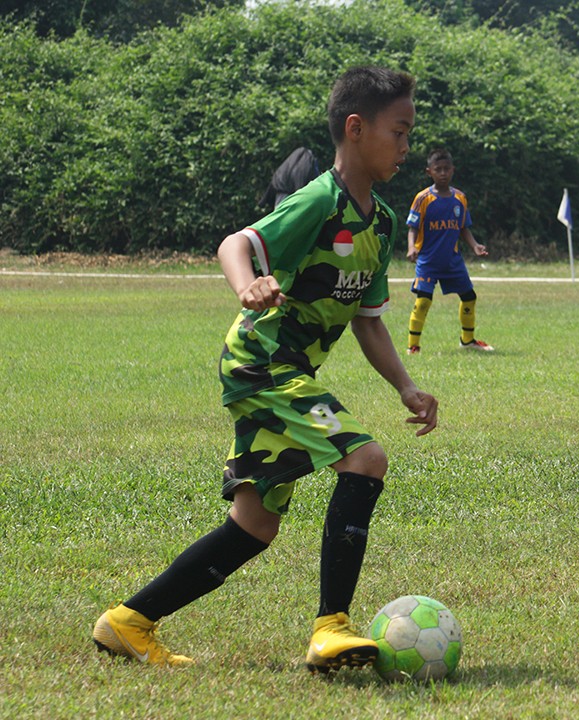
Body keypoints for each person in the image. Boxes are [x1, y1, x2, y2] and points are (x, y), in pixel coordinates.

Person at [93, 66, 439, 671]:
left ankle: (128, 622)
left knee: (253, 526)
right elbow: (236, 244)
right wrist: (247, 284)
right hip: (261, 362)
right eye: (399, 130)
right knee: (366, 458)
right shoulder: (318, 201)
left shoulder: (381, 222)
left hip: (285, 369)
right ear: (356, 129)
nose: (407, 146)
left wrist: (406, 385)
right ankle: (331, 628)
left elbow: (368, 320)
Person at [405, 149, 493, 354]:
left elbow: (463, 228)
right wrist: (412, 247)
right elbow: (413, 228)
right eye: (438, 169)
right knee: (424, 301)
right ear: (429, 172)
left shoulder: (460, 198)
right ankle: (413, 346)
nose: (443, 173)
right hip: (428, 261)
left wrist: (475, 246)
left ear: (453, 170)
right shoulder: (422, 198)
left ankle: (468, 340)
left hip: (452, 260)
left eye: (446, 169)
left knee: (469, 297)